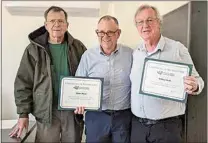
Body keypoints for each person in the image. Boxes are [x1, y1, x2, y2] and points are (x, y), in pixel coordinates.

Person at [9, 6, 86, 142]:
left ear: (67, 25)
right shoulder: (33, 50)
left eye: (61, 21)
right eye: (52, 21)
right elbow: (23, 82)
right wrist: (23, 114)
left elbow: (87, 77)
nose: (57, 24)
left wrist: (86, 100)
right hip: (46, 112)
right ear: (46, 25)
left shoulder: (78, 47)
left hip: (72, 112)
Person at [130, 4, 204, 143]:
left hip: (166, 128)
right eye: (140, 22)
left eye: (150, 20)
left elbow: (198, 80)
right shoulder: (136, 52)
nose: (145, 25)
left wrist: (194, 85)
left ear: (159, 22)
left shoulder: (177, 49)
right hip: (138, 128)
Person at [75, 15, 133, 143]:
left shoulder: (130, 54)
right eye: (101, 32)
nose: (105, 36)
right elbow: (78, 85)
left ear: (118, 33)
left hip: (123, 118)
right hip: (96, 117)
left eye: (110, 32)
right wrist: (78, 101)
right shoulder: (88, 56)